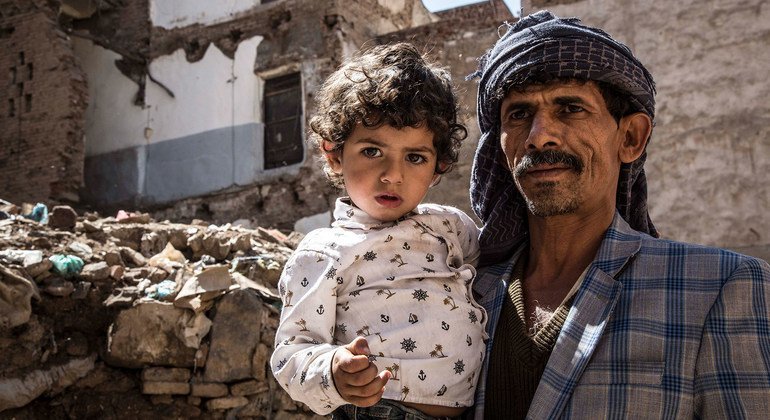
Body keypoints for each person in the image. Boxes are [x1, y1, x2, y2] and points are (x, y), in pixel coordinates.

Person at [467, 10, 770, 419]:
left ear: (630, 138)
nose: (539, 136)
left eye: (570, 108)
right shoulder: (466, 292)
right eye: (519, 114)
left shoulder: (720, 288)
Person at [270, 42, 488, 419]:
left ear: (439, 168)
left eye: (415, 157)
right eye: (372, 151)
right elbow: (292, 352)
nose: (393, 175)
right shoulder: (322, 251)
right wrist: (333, 371)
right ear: (335, 155)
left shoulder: (453, 227)